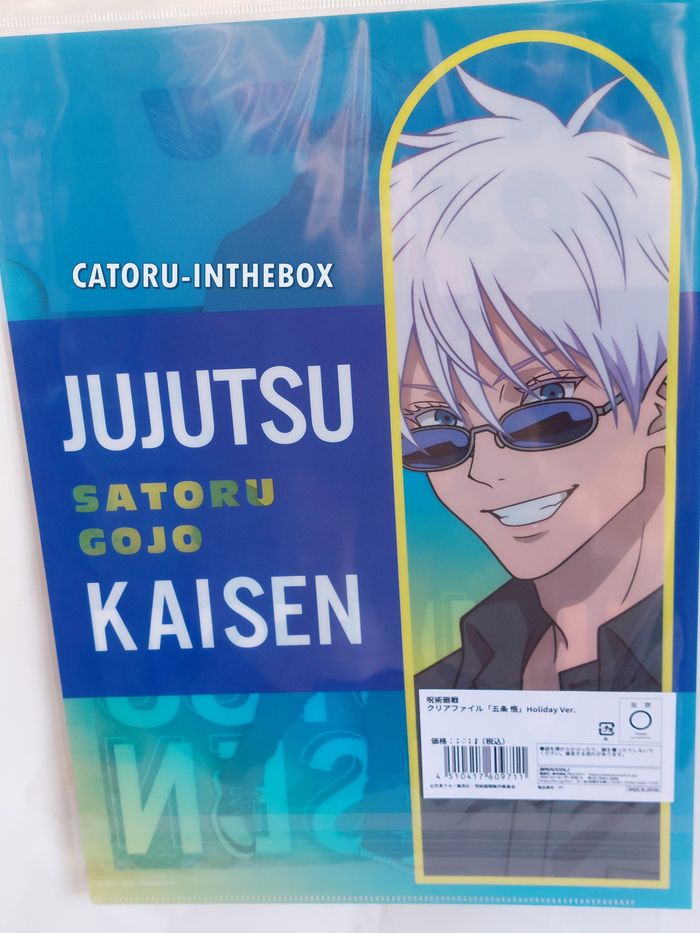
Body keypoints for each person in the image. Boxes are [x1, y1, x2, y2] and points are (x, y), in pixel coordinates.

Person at [391, 67, 670, 878]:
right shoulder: (443, 691)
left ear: (660, 397)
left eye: (545, 406)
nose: (483, 468)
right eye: (436, 427)